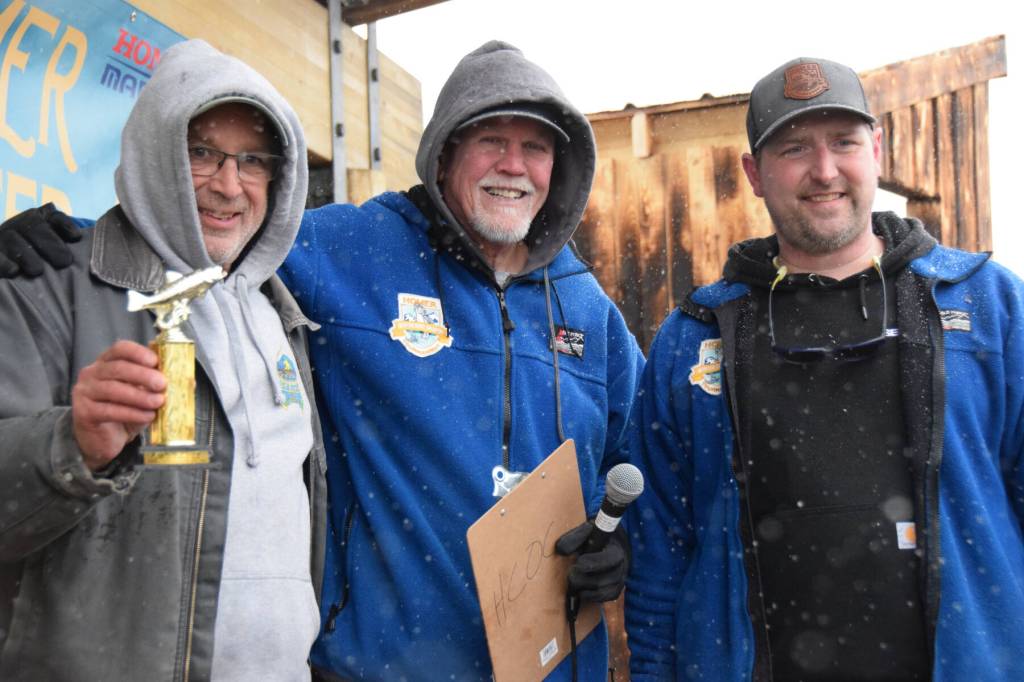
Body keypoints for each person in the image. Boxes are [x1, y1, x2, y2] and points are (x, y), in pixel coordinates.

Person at [0, 41, 643, 681]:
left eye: (535, 147)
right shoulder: (350, 248)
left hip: (549, 667)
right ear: (445, 151)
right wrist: (63, 238)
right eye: (491, 141)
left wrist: (616, 540)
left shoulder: (590, 311)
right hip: (378, 667)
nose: (514, 165)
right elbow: (208, 228)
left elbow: (645, 464)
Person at [624, 56, 1024, 681]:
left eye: (845, 142)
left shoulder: (989, 306)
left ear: (878, 149)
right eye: (795, 148)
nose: (825, 170)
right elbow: (658, 553)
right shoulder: (694, 337)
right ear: (755, 173)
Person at [0, 39, 326, 680]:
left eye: (253, 160)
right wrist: (73, 446)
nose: (229, 184)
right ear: (154, 153)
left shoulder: (285, 317)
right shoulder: (47, 283)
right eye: (201, 152)